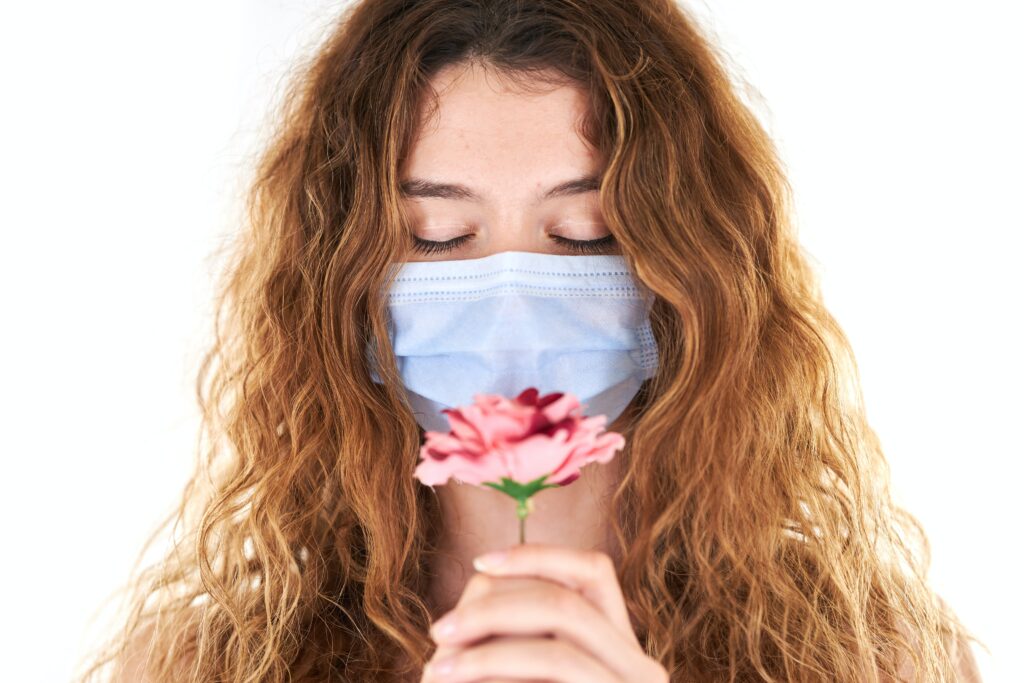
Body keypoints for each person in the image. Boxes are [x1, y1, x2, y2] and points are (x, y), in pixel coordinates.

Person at [75, 1, 985, 681]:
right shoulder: (203, 663)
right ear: (340, 289)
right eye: (436, 236)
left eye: (585, 234)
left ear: (690, 277)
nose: (510, 303)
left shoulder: (882, 658)